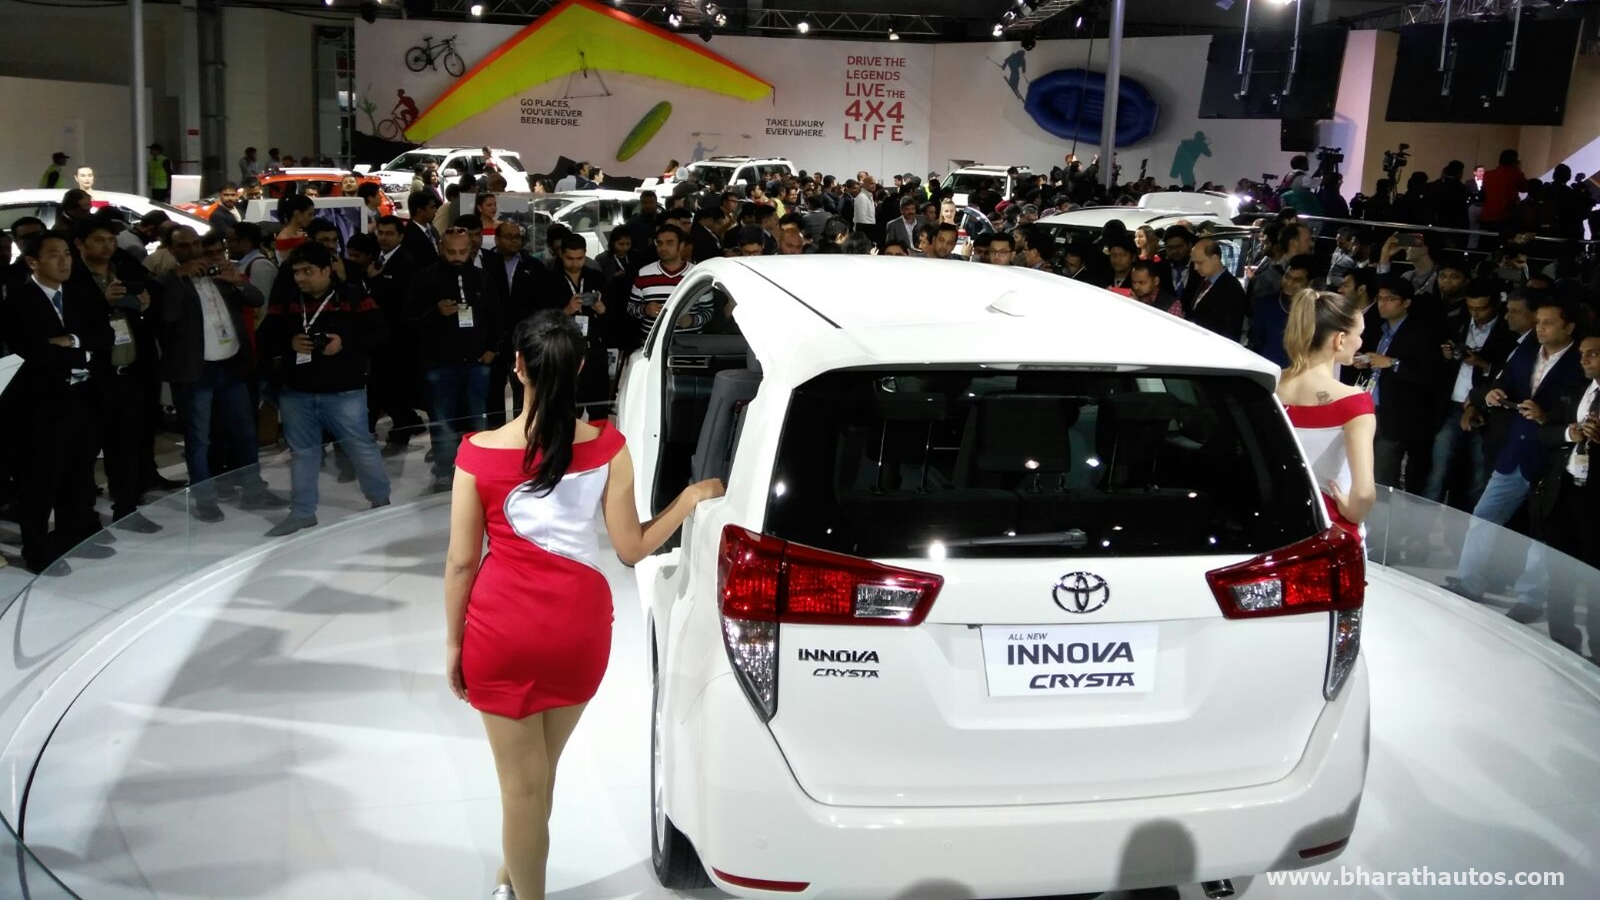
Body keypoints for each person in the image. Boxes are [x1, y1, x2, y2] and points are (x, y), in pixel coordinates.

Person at [444, 310, 723, 900]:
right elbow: (632, 548)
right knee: (539, 777)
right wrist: (689, 498)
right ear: (578, 368)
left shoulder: (477, 454)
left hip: (501, 631)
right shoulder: (609, 446)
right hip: (579, 629)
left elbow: (462, 563)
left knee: (522, 788)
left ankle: (523, 891)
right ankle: (511, 878)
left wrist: (452, 644)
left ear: (517, 367)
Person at [1276, 289, 1377, 535]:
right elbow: (1364, 493)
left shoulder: (1267, 385)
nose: (1360, 343)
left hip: (1271, 517)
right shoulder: (1355, 403)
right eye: (1359, 335)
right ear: (1339, 339)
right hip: (1326, 527)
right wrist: (1353, 514)